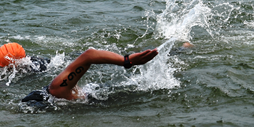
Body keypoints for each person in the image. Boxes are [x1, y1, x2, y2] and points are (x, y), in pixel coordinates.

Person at [22, 48, 158, 103]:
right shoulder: (58, 95)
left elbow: (90, 54)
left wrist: (127, 61)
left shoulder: (57, 88)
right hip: (98, 95)